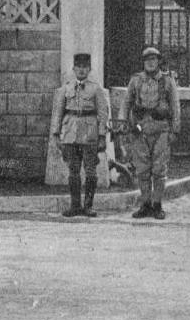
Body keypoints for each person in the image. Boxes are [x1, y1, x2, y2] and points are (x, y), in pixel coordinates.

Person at [120, 46, 180, 220]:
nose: (151, 63)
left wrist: (175, 130)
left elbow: (175, 106)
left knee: (159, 168)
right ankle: (145, 204)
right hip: (140, 130)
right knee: (142, 168)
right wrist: (124, 123)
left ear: (159, 61)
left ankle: (157, 204)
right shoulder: (136, 81)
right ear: (144, 63)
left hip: (161, 129)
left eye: (154, 59)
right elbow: (126, 103)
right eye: (147, 60)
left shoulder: (167, 81)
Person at [50, 53, 110, 217]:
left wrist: (102, 135)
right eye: (79, 67)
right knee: (73, 169)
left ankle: (88, 206)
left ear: (89, 69)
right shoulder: (66, 88)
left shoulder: (96, 89)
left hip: (90, 132)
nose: (82, 70)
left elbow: (103, 113)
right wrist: (56, 134)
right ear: (74, 69)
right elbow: (58, 112)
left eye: (85, 67)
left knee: (90, 170)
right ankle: (75, 205)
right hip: (70, 133)